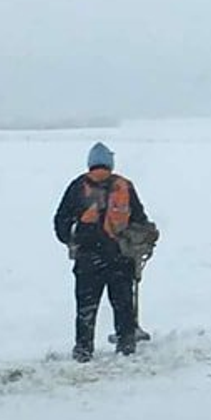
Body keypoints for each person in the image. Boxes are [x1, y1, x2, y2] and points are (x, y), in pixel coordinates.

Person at [53, 142, 150, 361]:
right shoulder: (124, 186)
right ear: (110, 163)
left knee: (86, 307)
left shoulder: (77, 186)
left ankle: (83, 350)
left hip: (88, 259)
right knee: (123, 303)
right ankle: (126, 346)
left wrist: (71, 239)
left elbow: (60, 221)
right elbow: (140, 220)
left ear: (90, 163)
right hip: (120, 258)